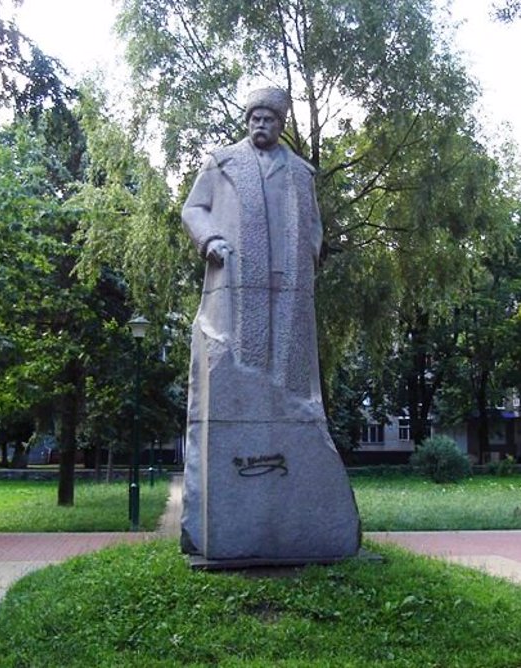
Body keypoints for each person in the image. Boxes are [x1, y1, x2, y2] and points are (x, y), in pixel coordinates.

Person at [180, 87, 359, 561]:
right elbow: (193, 209)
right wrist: (210, 240)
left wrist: (311, 253)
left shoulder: (300, 172)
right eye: (254, 118)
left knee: (288, 365)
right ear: (247, 121)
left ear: (281, 124)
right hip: (238, 277)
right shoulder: (222, 163)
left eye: (269, 119)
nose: (261, 125)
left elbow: (314, 223)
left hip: (289, 280)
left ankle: (285, 413)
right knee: (242, 356)